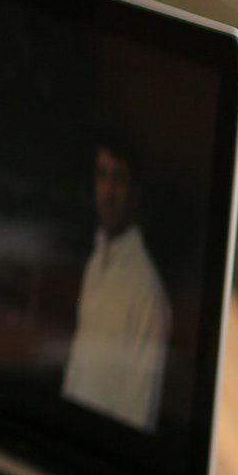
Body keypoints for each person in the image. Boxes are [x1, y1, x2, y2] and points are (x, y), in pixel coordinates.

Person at [61, 137, 171, 431]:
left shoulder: (148, 292)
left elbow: (139, 415)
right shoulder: (95, 263)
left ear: (135, 193)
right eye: (102, 175)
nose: (107, 193)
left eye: (118, 178)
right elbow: (76, 368)